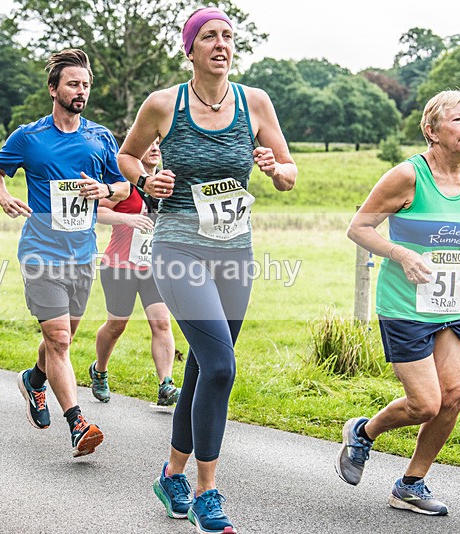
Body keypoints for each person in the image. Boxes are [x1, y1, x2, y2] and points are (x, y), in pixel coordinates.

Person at [117, 7, 297, 533]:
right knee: (220, 367)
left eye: (227, 36)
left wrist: (274, 169)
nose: (221, 44)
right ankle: (205, 492)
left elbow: (288, 173)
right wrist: (147, 180)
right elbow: (128, 159)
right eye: (209, 37)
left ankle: (171, 474)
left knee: (202, 365)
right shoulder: (163, 104)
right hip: (178, 248)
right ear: (190, 48)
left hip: (234, 252)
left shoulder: (255, 103)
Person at [0, 48, 128, 457]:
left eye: (85, 85)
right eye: (72, 84)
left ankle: (33, 381)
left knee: (59, 341)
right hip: (41, 252)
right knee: (60, 339)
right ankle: (78, 424)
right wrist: (4, 196)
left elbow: (123, 187)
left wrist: (106, 191)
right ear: (53, 89)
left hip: (82, 254)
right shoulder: (29, 137)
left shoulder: (100, 137)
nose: (81, 91)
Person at [338, 89, 460, 516]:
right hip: (406, 306)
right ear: (431, 131)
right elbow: (359, 228)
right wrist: (402, 253)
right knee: (425, 403)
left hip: (452, 305)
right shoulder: (407, 176)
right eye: (459, 120)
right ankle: (363, 432)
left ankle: (411, 483)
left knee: (453, 396)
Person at [90, 138, 181, 406]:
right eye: (148, 143)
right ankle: (100, 370)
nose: (153, 148)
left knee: (161, 322)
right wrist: (126, 218)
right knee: (117, 325)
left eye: (159, 143)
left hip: (154, 268)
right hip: (119, 266)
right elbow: (97, 212)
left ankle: (166, 384)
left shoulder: (167, 185)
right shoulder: (123, 185)